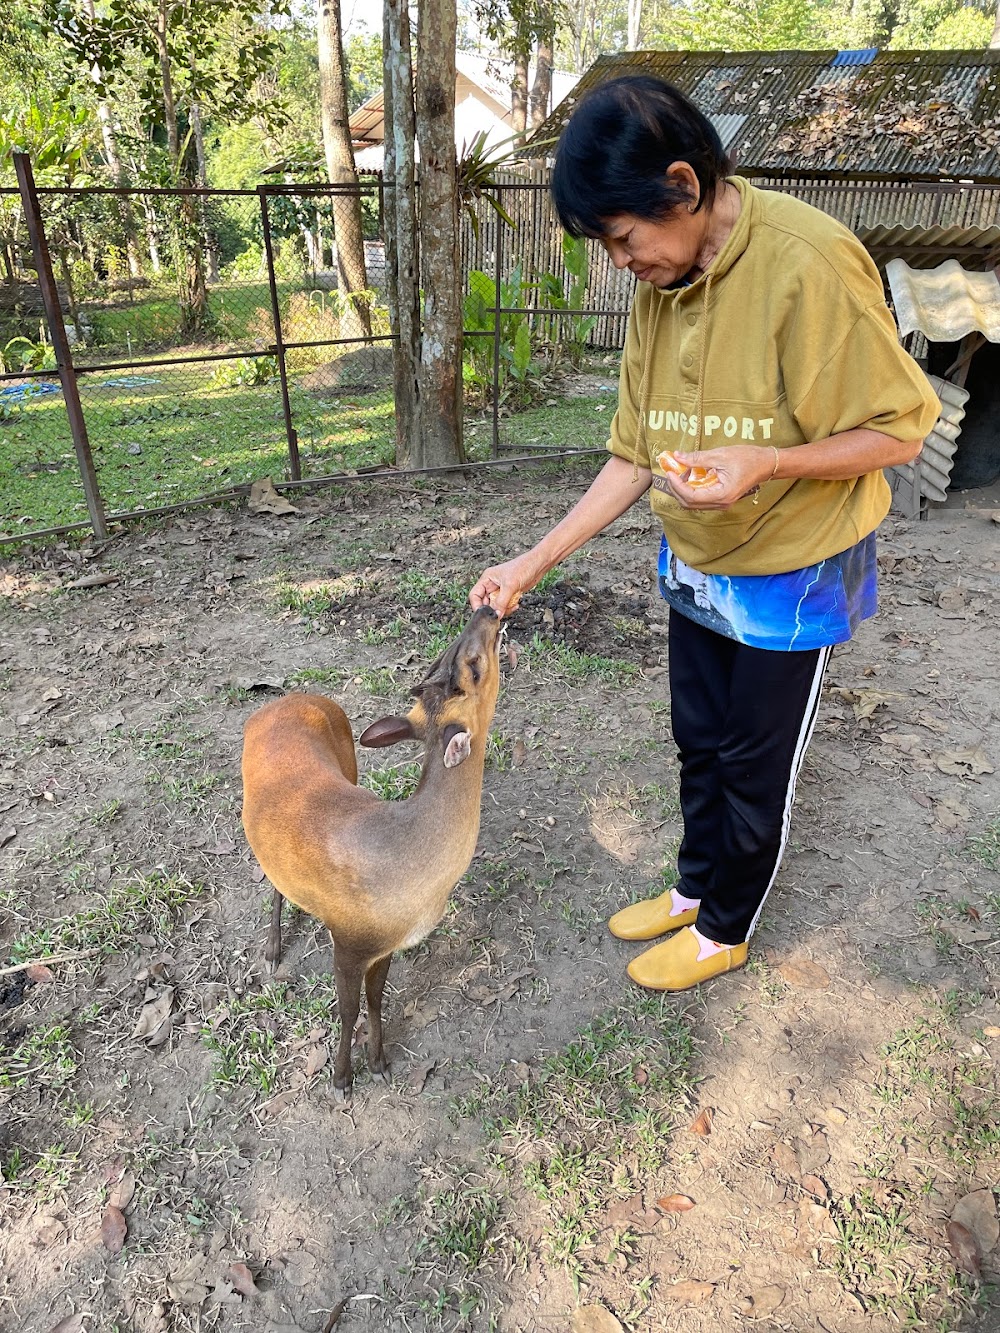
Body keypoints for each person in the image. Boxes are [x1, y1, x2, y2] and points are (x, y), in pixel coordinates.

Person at [468, 75, 940, 993]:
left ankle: (725, 927)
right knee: (698, 739)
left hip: (791, 574)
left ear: (682, 186)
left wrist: (765, 462)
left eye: (622, 238)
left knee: (754, 767)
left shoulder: (810, 263)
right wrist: (532, 561)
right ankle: (693, 890)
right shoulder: (663, 284)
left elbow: (903, 428)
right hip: (696, 562)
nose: (619, 263)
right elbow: (633, 457)